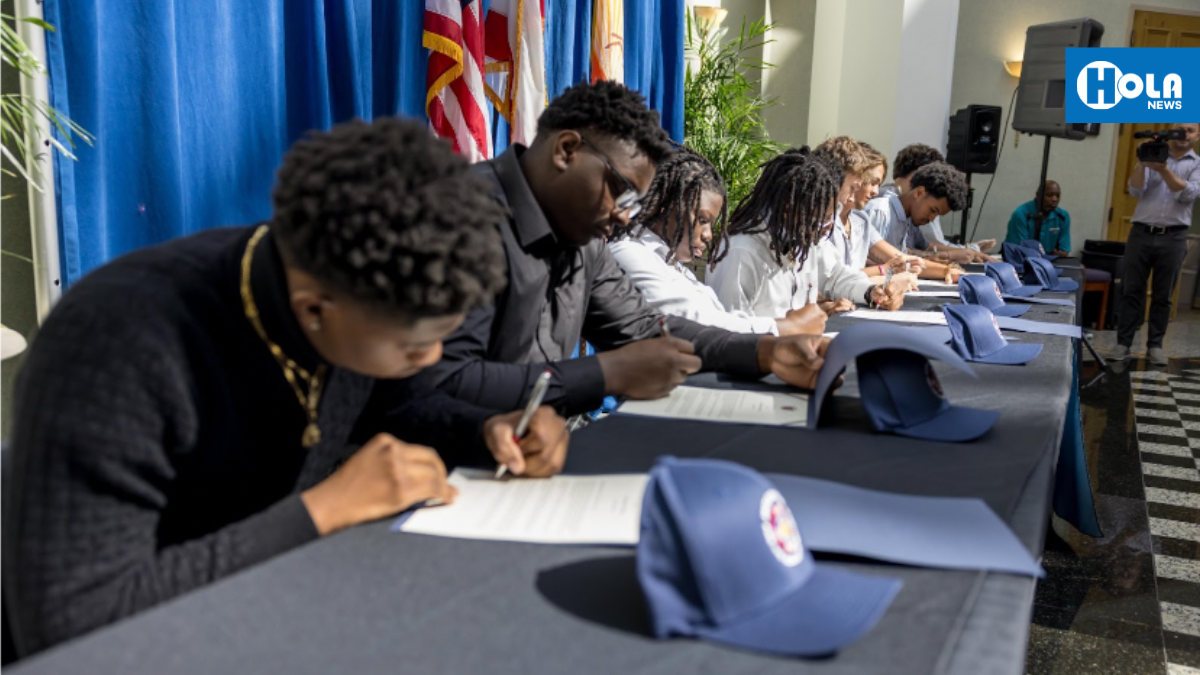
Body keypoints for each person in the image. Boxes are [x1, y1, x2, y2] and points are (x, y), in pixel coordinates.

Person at [1, 119, 571, 656]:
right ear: (314, 311)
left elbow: (399, 403)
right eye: (412, 347)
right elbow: (71, 625)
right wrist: (324, 508)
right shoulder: (115, 347)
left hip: (269, 600)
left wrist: (487, 430)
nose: (431, 359)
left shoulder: (350, 285)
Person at [426, 81, 832, 418]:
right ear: (566, 150)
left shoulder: (585, 241)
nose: (625, 218)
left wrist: (767, 352)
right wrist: (603, 372)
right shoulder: (462, 216)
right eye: (621, 193)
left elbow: (646, 330)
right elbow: (447, 380)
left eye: (635, 204)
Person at [607, 148, 823, 335]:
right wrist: (783, 328)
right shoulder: (629, 253)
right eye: (702, 220)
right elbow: (692, 322)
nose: (709, 235)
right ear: (666, 207)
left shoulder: (674, 266)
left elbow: (721, 318)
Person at [705, 147, 908, 319]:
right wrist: (794, 324)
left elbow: (835, 275)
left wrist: (871, 292)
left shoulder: (804, 238)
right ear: (789, 209)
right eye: (823, 217)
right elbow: (730, 328)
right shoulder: (742, 252)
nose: (829, 226)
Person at [1111, 122, 1200, 366]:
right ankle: (1123, 343)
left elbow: (1187, 194)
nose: (1184, 135)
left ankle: (1155, 345)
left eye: (1190, 130)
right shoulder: (1153, 153)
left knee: (1163, 295)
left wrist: (1162, 169)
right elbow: (1136, 189)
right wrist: (1142, 160)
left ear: (1197, 135)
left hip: (1174, 236)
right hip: (1140, 233)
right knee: (1131, 290)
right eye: (1179, 129)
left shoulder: (1197, 163)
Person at [817, 139, 923, 290]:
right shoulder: (822, 223)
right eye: (871, 182)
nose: (876, 191)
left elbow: (897, 258)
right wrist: (884, 272)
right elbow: (832, 279)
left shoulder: (860, 220)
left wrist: (911, 265)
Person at [878, 143, 995, 261]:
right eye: (933, 210)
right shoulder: (884, 205)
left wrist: (970, 251)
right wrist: (949, 258)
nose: (932, 218)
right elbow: (891, 256)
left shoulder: (909, 209)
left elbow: (926, 246)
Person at [862, 161, 971, 282]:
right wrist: (945, 270)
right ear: (919, 193)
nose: (931, 219)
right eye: (932, 210)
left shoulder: (905, 220)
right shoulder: (880, 212)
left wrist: (946, 271)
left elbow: (905, 262)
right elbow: (877, 263)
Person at [1005, 180, 1070, 255]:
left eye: (1057, 196)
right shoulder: (1021, 214)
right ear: (1038, 195)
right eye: (1049, 195)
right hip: (1018, 260)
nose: (1054, 199)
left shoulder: (1063, 216)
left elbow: (1064, 251)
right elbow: (1020, 250)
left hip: (1049, 260)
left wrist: (1057, 254)